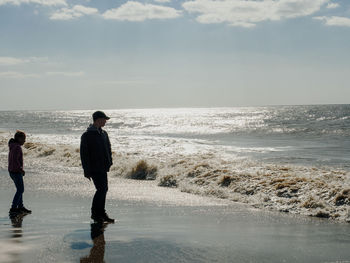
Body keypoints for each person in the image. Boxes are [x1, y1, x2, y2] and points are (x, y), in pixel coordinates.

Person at [80, 111, 114, 223]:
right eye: (104, 119)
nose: (106, 121)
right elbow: (84, 154)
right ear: (98, 119)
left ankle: (101, 213)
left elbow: (108, 148)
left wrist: (110, 162)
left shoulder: (104, 133)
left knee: (104, 189)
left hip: (103, 167)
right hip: (94, 168)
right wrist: (86, 170)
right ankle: (96, 214)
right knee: (101, 189)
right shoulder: (87, 135)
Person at [8, 131, 31, 215]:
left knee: (19, 189)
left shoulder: (12, 145)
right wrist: (21, 169)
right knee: (20, 190)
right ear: (19, 138)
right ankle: (13, 208)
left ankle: (20, 206)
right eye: (23, 139)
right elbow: (15, 160)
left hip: (12, 171)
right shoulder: (17, 147)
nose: (24, 141)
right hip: (16, 171)